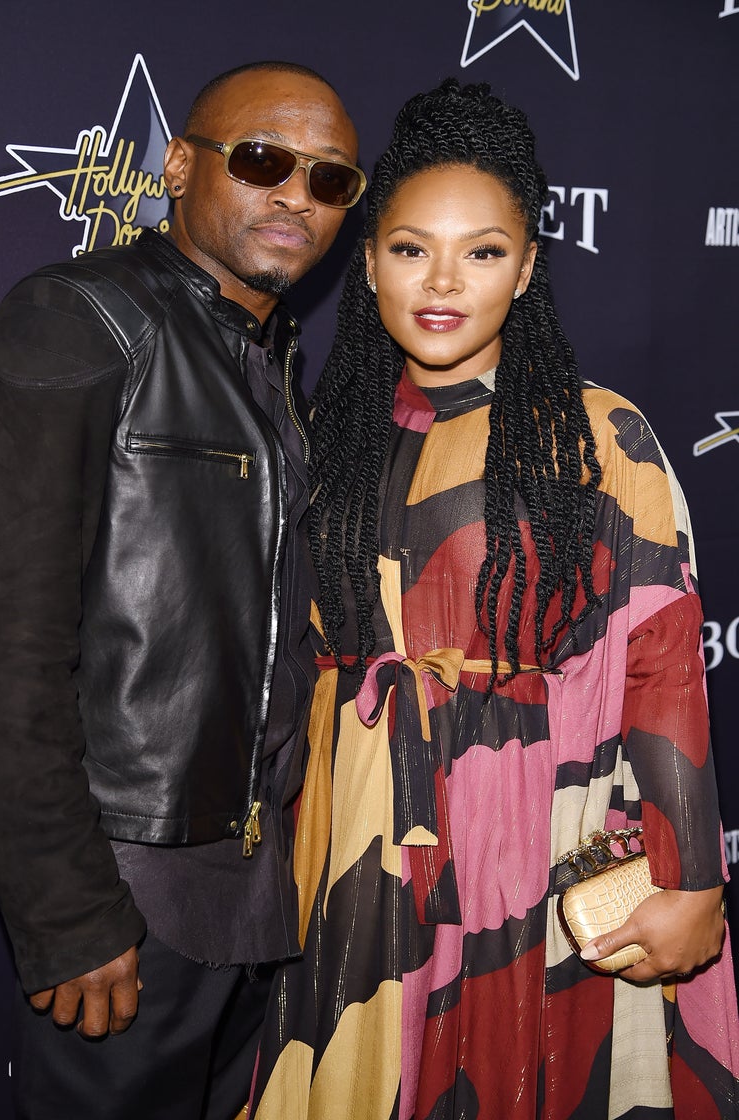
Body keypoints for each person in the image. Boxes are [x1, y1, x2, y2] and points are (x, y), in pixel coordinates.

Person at [248, 79, 739, 1118]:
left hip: (526, 841)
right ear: (368, 261)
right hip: (347, 845)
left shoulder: (596, 436)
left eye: (481, 252)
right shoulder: (326, 435)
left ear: (524, 268)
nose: (441, 281)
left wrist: (692, 877)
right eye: (409, 247)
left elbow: (661, 666)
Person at [0, 61, 365, 1120]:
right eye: (262, 160)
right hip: (127, 887)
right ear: (177, 166)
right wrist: (68, 911)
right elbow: (1, 647)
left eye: (330, 180)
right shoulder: (80, 317)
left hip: (253, 884)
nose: (296, 196)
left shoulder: (267, 358)